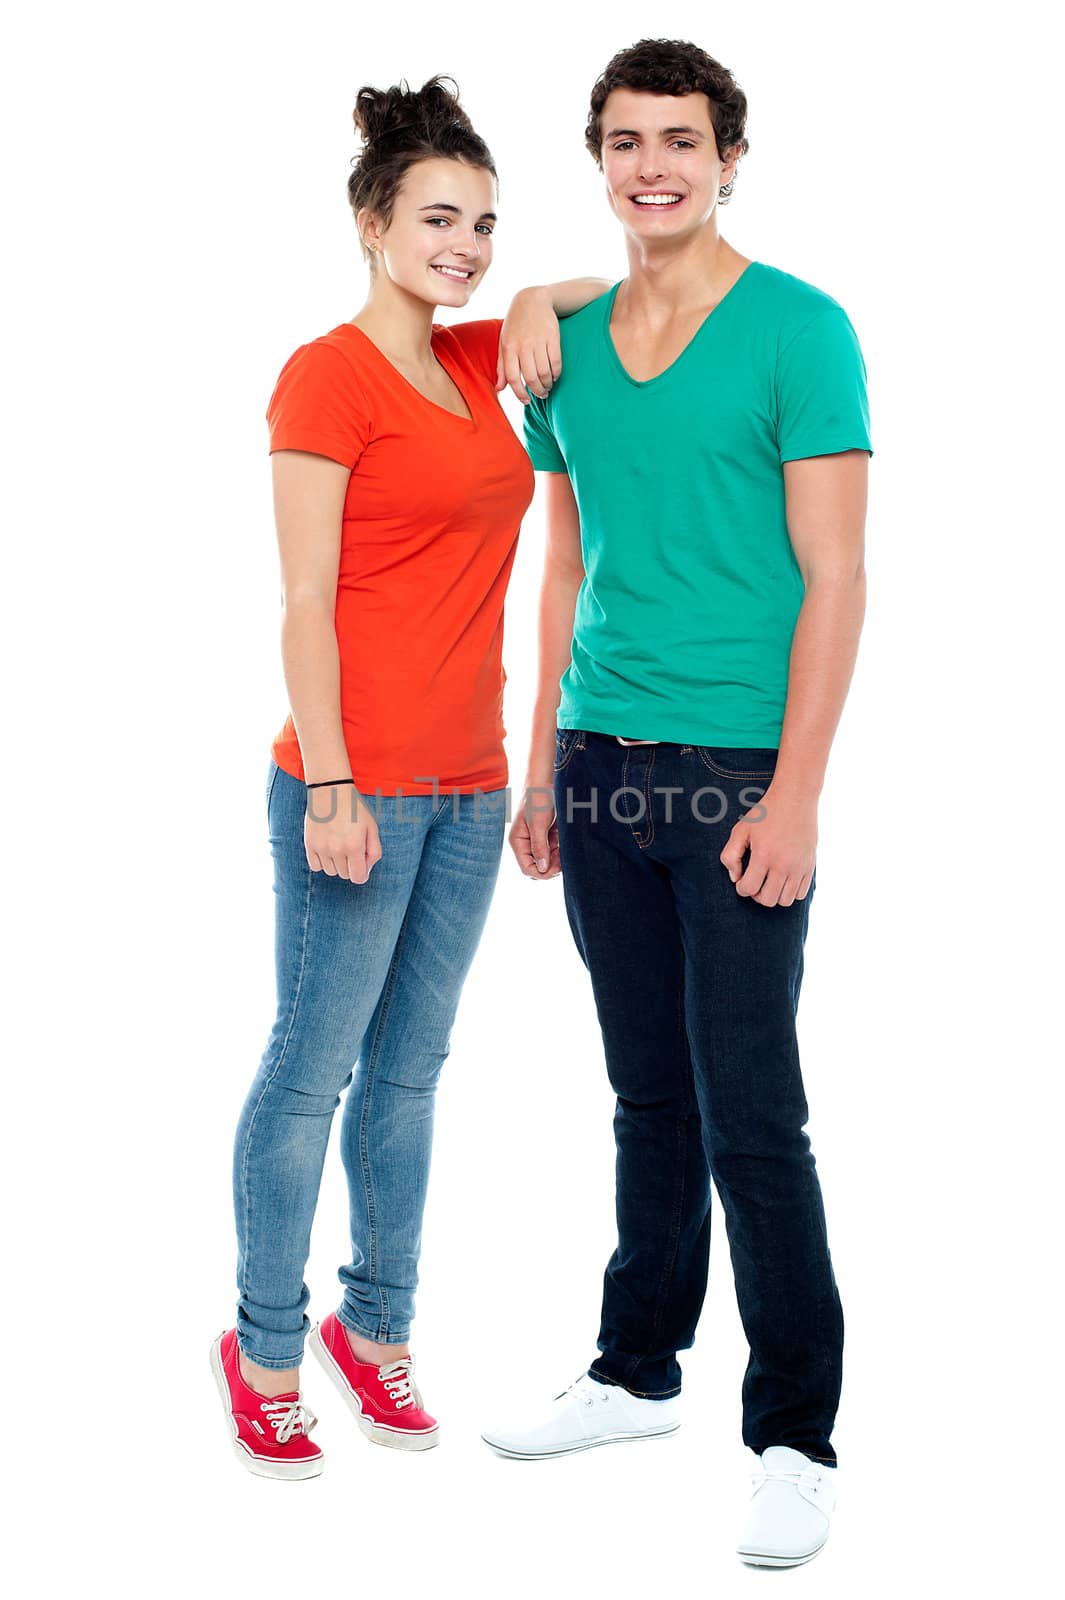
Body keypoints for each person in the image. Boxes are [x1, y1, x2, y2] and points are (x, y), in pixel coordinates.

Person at [480, 38, 873, 1571]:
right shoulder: (561, 345)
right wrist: (538, 764)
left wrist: (796, 795)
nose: (655, 163)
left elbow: (836, 574)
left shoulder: (799, 330)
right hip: (599, 769)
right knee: (645, 1094)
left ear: (728, 160)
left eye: (683, 140)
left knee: (749, 1113)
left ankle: (794, 1435)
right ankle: (636, 1368)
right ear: (599, 163)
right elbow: (561, 566)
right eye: (627, 140)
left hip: (732, 782)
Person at [210, 74, 609, 1481]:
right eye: (438, 218)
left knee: (413, 1077)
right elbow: (302, 598)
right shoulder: (324, 374)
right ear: (373, 221)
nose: (466, 244)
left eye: (485, 225)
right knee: (311, 1073)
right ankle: (266, 1346)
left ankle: (374, 1335)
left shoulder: (463, 358)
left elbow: (592, 289)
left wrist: (529, 300)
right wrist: (328, 784)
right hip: (354, 782)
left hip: (465, 783)